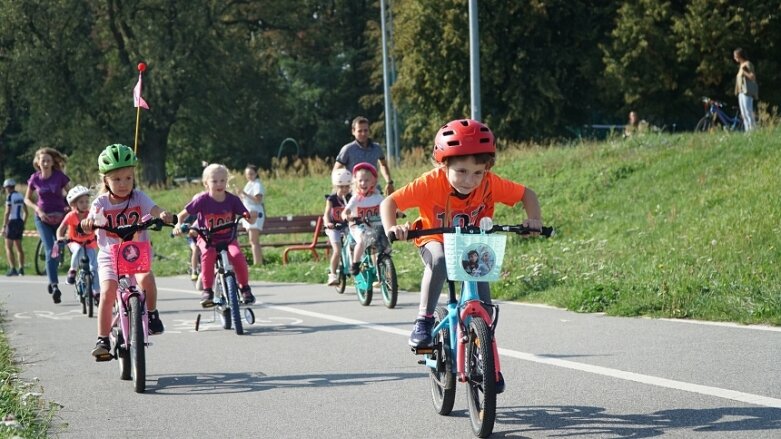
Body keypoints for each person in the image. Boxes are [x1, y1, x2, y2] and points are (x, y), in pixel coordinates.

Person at [380, 119, 543, 354]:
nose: (470, 180)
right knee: (440, 260)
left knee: (484, 309)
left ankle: (484, 354)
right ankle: (423, 321)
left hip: (472, 244)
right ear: (443, 164)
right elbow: (390, 202)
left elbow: (527, 194)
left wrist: (534, 220)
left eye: (478, 172)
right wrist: (392, 228)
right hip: (434, 239)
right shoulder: (430, 183)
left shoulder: (488, 183)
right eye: (461, 171)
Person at [81, 144, 174, 359]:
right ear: (106, 180)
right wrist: (88, 222)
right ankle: (102, 339)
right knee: (107, 292)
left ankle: (151, 315)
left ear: (134, 177)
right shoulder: (101, 202)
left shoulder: (138, 197)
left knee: (147, 280)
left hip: (135, 252)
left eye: (128, 178)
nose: (123, 184)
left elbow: (154, 209)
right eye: (117, 179)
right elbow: (93, 217)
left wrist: (163, 215)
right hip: (109, 254)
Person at [173, 163, 257, 308]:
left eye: (223, 180)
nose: (219, 184)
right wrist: (178, 225)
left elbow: (246, 214)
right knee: (208, 254)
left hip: (228, 238)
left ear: (227, 181)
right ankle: (207, 290)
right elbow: (181, 215)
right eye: (214, 181)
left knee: (237, 256)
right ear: (206, 183)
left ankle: (244, 288)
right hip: (207, 239)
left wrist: (251, 216)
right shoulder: (202, 200)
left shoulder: (233, 200)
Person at [24, 147, 70, 303]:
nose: (45, 162)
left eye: (48, 160)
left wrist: (70, 206)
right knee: (51, 249)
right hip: (42, 218)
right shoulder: (34, 179)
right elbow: (27, 199)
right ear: (38, 162)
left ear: (52, 163)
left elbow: (70, 195)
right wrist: (38, 209)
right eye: (42, 160)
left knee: (58, 250)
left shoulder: (60, 177)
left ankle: (52, 276)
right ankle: (54, 285)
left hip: (60, 217)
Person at [55, 185, 99, 299]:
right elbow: (61, 229)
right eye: (81, 202)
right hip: (74, 242)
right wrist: (60, 237)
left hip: (90, 243)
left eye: (86, 201)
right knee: (78, 250)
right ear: (74, 204)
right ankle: (73, 270)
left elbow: (99, 226)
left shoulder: (91, 215)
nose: (85, 204)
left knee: (94, 267)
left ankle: (96, 292)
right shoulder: (70, 216)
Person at [341, 162, 384, 276]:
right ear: (356, 181)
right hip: (357, 226)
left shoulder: (378, 197)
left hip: (373, 226)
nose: (363, 183)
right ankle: (355, 264)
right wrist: (346, 215)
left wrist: (396, 213)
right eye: (360, 180)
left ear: (373, 181)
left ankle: (381, 272)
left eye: (366, 180)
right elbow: (346, 210)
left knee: (381, 245)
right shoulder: (356, 198)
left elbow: (387, 206)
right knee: (362, 240)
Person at [333, 116, 395, 194]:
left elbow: (383, 165)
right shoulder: (347, 149)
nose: (363, 133)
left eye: (365, 130)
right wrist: (339, 188)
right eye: (360, 131)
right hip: (354, 192)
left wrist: (389, 182)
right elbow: (337, 170)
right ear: (353, 131)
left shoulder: (377, 148)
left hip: (374, 191)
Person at [323, 169, 353, 286]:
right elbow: (326, 214)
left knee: (354, 244)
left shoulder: (351, 198)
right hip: (334, 227)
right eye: (341, 187)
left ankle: (354, 266)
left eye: (347, 186)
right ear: (336, 186)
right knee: (337, 249)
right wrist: (327, 223)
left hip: (347, 226)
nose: (344, 190)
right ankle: (332, 274)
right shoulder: (332, 199)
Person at [238, 164, 265, 265]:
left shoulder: (257, 184)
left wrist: (244, 194)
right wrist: (241, 195)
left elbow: (258, 200)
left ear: (256, 174)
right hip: (249, 214)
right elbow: (246, 199)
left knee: (254, 240)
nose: (249, 176)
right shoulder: (249, 184)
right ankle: (257, 262)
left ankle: (258, 263)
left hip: (255, 214)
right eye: (247, 174)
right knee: (252, 240)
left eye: (251, 174)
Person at [3, 179, 28, 276]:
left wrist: (4, 226)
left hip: (12, 222)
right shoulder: (20, 195)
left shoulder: (10, 197)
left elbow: (7, 212)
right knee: (19, 247)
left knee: (8, 247)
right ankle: (21, 268)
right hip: (19, 221)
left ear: (8, 188)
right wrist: (23, 223)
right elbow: (26, 211)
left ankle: (13, 268)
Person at [733, 48, 758, 132]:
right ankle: (748, 131)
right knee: (743, 114)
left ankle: (753, 130)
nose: (735, 58)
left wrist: (745, 72)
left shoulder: (748, 64)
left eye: (736, 56)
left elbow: (752, 77)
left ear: (740, 56)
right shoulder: (741, 65)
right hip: (741, 92)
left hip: (747, 92)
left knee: (748, 112)